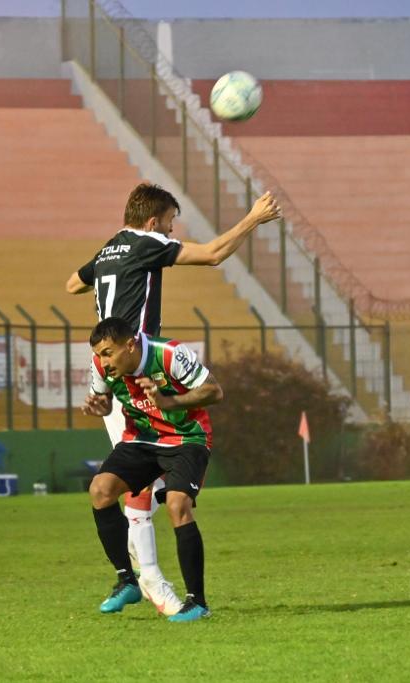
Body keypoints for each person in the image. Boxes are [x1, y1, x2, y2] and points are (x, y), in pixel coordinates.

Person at [64, 182, 281, 616]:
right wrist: (254, 218)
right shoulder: (148, 243)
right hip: (127, 366)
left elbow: (72, 284)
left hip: (117, 366)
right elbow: (215, 253)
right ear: (152, 222)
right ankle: (151, 582)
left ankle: (139, 579)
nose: (171, 231)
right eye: (169, 223)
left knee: (133, 487)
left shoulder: (111, 247)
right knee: (145, 488)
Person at [82, 317, 223, 623]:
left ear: (130, 345)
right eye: (99, 355)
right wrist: (100, 408)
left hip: (187, 438)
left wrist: (167, 401)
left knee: (177, 504)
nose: (103, 362)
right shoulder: (100, 364)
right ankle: (127, 580)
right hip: (142, 439)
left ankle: (197, 602)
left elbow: (214, 391)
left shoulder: (169, 354)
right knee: (100, 491)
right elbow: (106, 402)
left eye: (108, 353)